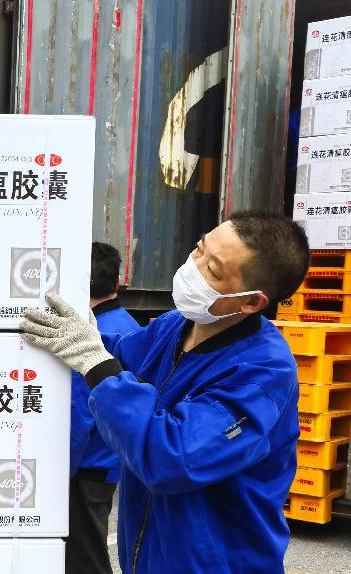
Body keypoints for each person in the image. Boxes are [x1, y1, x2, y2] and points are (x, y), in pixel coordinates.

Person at [22, 212, 309, 573]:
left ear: (251, 302)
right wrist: (79, 334)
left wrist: (94, 360)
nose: (193, 267)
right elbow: (117, 355)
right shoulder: (176, 326)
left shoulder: (262, 374)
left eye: (213, 270)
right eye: (199, 250)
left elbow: (171, 457)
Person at [67, 242, 141, 574]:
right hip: (108, 460)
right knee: (90, 547)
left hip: (85, 465)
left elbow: (79, 412)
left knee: (84, 558)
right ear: (117, 282)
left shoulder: (92, 335)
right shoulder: (130, 327)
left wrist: (60, 470)